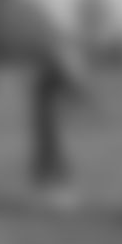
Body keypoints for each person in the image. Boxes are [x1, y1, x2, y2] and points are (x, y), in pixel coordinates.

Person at [27, 27, 90, 206]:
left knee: (48, 150)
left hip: (48, 112)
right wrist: (82, 97)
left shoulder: (54, 61)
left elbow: (69, 85)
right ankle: (57, 191)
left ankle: (48, 185)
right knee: (51, 150)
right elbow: (69, 84)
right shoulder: (54, 61)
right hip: (48, 113)